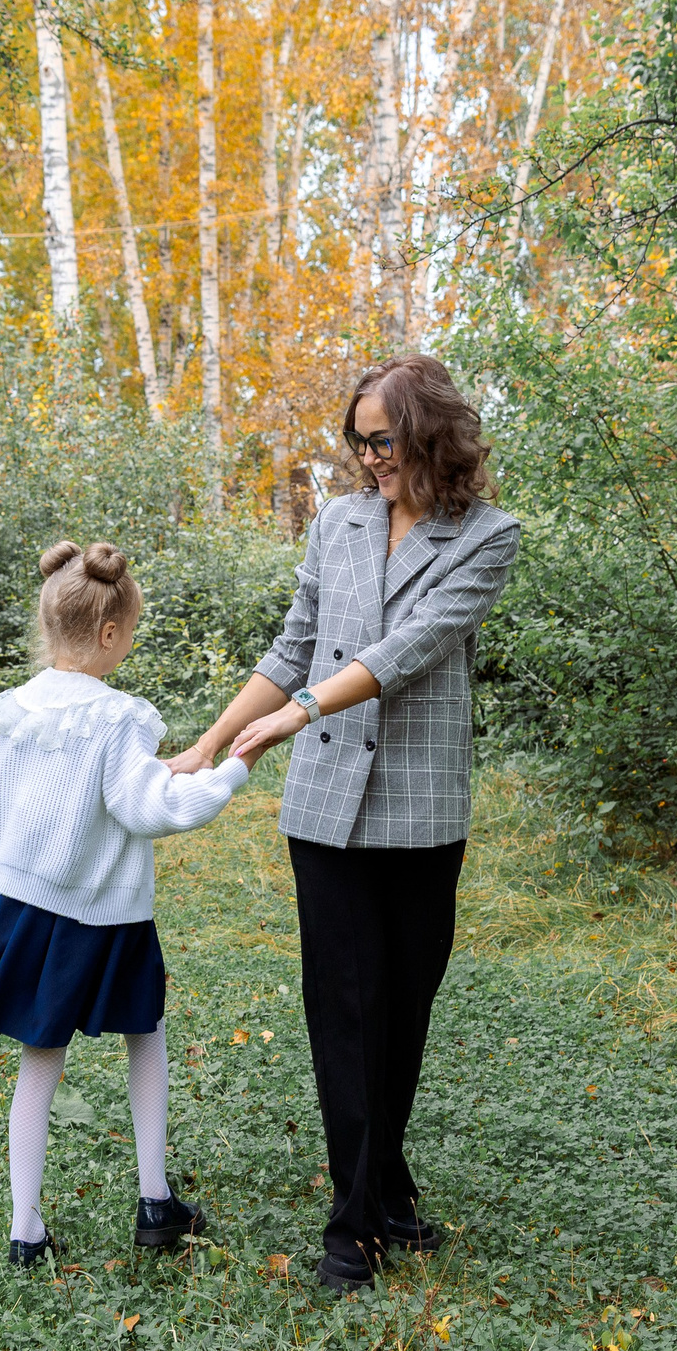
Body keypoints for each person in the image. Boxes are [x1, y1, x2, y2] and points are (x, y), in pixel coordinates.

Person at [172, 356, 520, 1294]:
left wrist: (301, 712)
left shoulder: (487, 536)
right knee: (343, 1017)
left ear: (429, 436)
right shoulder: (338, 521)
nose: (366, 459)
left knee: (402, 1016)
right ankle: (353, 1228)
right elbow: (293, 646)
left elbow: (410, 649)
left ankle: (390, 1191)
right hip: (324, 811)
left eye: (382, 440)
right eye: (357, 441)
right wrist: (205, 746)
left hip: (421, 812)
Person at [0, 540, 252, 1267]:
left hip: (22, 902)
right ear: (108, 635)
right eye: (129, 633)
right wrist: (230, 771)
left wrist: (168, 765)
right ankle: (155, 1198)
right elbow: (146, 809)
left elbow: (60, 794)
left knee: (41, 1062)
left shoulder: (22, 706)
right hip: (103, 910)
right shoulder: (119, 715)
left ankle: (25, 1229)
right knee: (147, 1034)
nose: (128, 643)